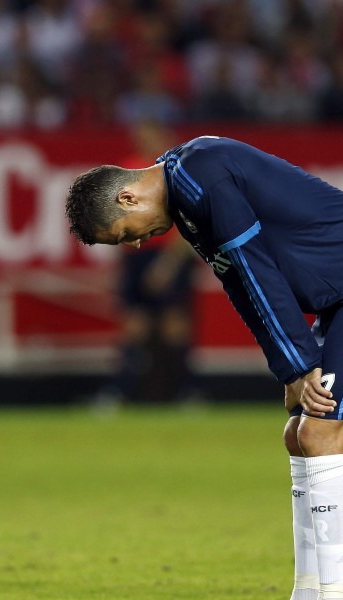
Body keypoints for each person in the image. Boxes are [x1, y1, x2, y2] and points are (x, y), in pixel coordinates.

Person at [65, 135, 343, 600]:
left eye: (124, 235)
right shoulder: (190, 196)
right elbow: (240, 283)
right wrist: (289, 369)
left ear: (127, 198)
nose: (136, 244)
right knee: (298, 436)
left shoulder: (202, 171)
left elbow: (256, 266)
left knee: (322, 434)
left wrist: (300, 361)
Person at [97, 120, 197, 406]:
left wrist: (168, 264)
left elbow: (188, 224)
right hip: (137, 255)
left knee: (173, 326)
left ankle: (187, 392)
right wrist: (120, 262)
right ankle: (121, 392)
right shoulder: (128, 170)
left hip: (167, 256)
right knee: (134, 326)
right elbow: (118, 222)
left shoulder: (176, 172)